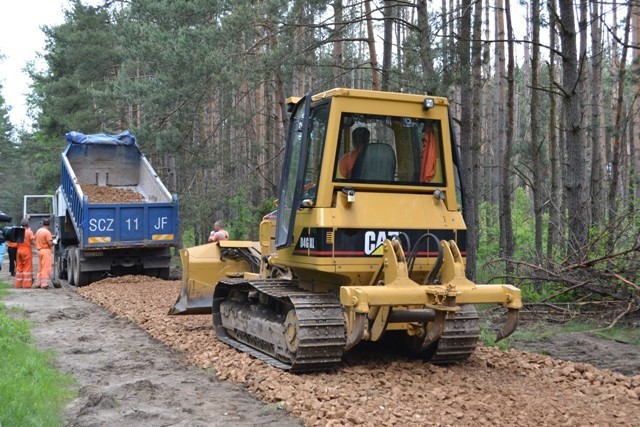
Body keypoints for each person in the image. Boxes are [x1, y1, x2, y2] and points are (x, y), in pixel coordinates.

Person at [35, 218, 54, 289]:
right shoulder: (47, 232)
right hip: (45, 251)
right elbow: (49, 243)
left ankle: (38, 283)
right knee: (46, 268)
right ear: (49, 224)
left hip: (39, 251)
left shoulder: (38, 231)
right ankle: (44, 283)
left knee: (40, 267)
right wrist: (53, 243)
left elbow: (35, 239)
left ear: (42, 224)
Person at [15, 218, 35, 288]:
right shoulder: (29, 232)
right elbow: (33, 242)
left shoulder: (18, 231)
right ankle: (26, 284)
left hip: (19, 250)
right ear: (27, 225)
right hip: (26, 251)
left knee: (19, 267)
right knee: (27, 268)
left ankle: (18, 284)